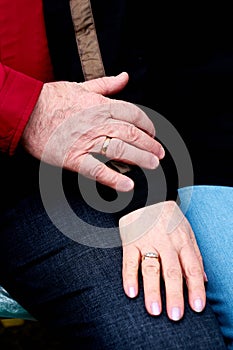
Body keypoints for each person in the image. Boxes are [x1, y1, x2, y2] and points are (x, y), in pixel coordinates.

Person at [0, 1, 232, 349]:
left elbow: (108, 48)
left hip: (74, 164)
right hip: (35, 160)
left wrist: (144, 194)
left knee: (178, 323)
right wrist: (26, 108)